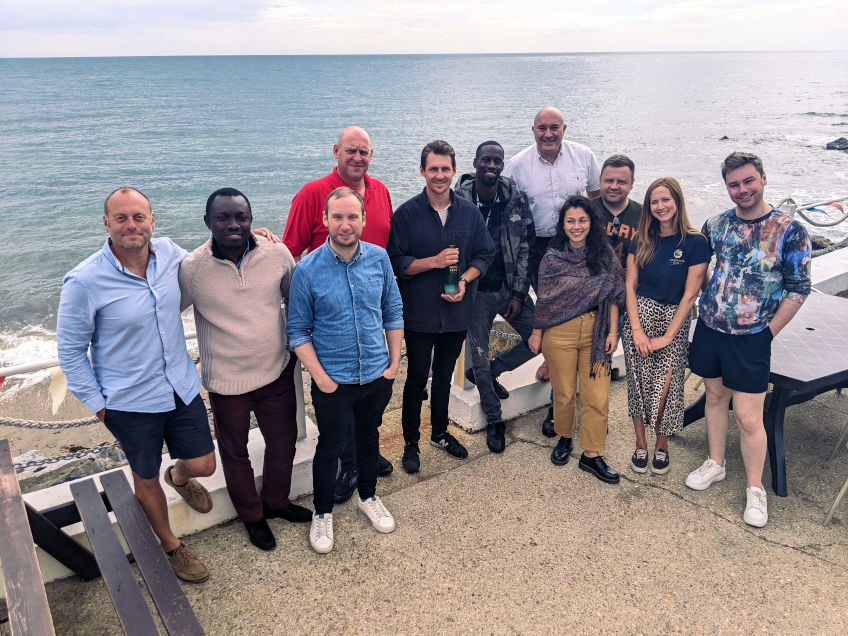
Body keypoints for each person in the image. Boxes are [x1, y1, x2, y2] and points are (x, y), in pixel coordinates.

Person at [57, 187, 216, 583]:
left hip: (179, 385)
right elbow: (71, 352)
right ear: (106, 223)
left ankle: (178, 478)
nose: (132, 225)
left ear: (152, 220)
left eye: (139, 217)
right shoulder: (84, 281)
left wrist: (251, 237)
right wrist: (100, 406)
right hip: (128, 401)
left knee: (204, 464)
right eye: (122, 218)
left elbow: (206, 260)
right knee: (143, 477)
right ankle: (171, 546)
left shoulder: (169, 254)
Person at [179, 187, 312, 552]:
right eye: (223, 217)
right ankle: (252, 517)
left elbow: (295, 297)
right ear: (208, 222)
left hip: (276, 371)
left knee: (282, 443)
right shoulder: (192, 269)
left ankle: (276, 502)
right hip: (225, 381)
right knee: (234, 453)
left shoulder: (276, 252)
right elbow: (165, 314)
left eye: (241, 216)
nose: (233, 224)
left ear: (252, 219)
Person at [685, 152, 811, 528]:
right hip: (710, 329)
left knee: (748, 416)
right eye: (734, 184)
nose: (742, 190)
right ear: (726, 186)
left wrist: (767, 333)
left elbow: (799, 288)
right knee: (715, 399)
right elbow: (699, 268)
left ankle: (755, 488)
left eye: (748, 181)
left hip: (752, 336)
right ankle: (716, 462)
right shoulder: (716, 224)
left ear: (763, 179)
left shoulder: (789, 229)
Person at [287, 187, 404, 554]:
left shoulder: (379, 258)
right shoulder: (306, 270)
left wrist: (394, 363)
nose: (345, 224)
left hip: (375, 374)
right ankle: (322, 514)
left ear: (364, 220)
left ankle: (368, 496)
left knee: (369, 438)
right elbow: (296, 330)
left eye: (352, 216)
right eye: (337, 217)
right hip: (333, 380)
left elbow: (393, 311)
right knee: (331, 446)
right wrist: (321, 378)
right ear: (325, 220)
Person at [282, 126, 394, 503]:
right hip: (328, 312)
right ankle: (349, 467)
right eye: (350, 150)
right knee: (337, 416)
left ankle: (363, 458)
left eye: (364, 151)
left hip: (367, 313)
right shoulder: (313, 193)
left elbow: (385, 254)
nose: (357, 157)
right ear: (336, 151)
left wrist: (392, 360)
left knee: (366, 417)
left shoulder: (380, 192)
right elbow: (289, 250)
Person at [388, 140, 495, 474]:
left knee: (445, 376)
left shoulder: (469, 211)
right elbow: (396, 262)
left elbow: (485, 254)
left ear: (453, 170)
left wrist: (464, 280)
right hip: (419, 314)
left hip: (456, 314)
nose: (439, 175)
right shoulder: (406, 213)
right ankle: (410, 442)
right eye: (432, 169)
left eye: (445, 169)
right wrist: (433, 262)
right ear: (422, 171)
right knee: (417, 377)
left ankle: (438, 432)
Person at [503, 106, 602, 433]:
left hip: (575, 245)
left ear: (564, 128)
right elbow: (506, 211)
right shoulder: (517, 165)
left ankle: (557, 405)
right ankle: (558, 396)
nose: (548, 134)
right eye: (542, 128)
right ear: (533, 130)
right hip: (537, 248)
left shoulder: (584, 156)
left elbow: (597, 197)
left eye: (554, 127)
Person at [528, 195, 625, 484]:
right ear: (563, 224)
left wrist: (613, 332)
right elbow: (544, 299)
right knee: (565, 393)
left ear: (591, 222)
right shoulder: (552, 256)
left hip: (597, 331)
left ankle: (591, 455)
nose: (576, 226)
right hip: (559, 333)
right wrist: (537, 332)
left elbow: (616, 291)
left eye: (582, 220)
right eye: (570, 220)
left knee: (597, 396)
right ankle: (565, 438)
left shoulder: (603, 253)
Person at [621, 178, 709, 475]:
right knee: (638, 388)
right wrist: (636, 330)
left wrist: (669, 335)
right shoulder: (641, 239)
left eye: (665, 200)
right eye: (654, 202)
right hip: (640, 316)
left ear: (677, 201)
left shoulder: (696, 243)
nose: (660, 206)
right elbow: (630, 286)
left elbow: (690, 294)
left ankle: (662, 443)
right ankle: (641, 443)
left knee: (665, 390)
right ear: (648, 207)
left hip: (675, 320)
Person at [455, 140, 536, 453]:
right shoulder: (458, 198)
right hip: (475, 292)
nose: (491, 166)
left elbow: (526, 245)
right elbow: (446, 246)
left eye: (497, 161)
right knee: (479, 352)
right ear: (475, 163)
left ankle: (491, 372)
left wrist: (519, 292)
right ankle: (494, 419)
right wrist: (452, 287)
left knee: (536, 339)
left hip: (508, 287)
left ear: (503, 165)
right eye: (486, 160)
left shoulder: (514, 197)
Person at [591, 154, 642, 272]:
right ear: (599, 180)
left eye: (621, 182)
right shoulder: (584, 211)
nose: (614, 186)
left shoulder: (645, 214)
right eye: (609, 180)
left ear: (632, 183)